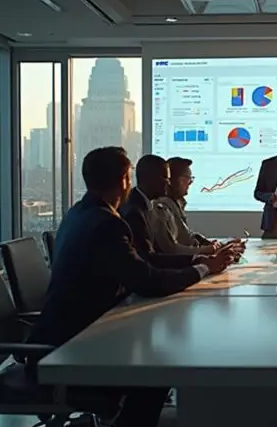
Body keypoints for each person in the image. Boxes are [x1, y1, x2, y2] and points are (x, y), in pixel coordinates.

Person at [27, 147, 235, 427]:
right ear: (124, 180)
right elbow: (147, 281)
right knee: (158, 368)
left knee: (160, 358)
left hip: (68, 334)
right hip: (73, 347)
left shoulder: (80, 212)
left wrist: (199, 262)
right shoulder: (107, 224)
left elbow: (139, 269)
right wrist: (203, 268)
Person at [155, 157, 222, 254]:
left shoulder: (177, 203)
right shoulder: (162, 207)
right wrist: (204, 251)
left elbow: (185, 236)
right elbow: (171, 249)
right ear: (181, 180)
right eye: (189, 179)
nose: (190, 183)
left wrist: (205, 242)